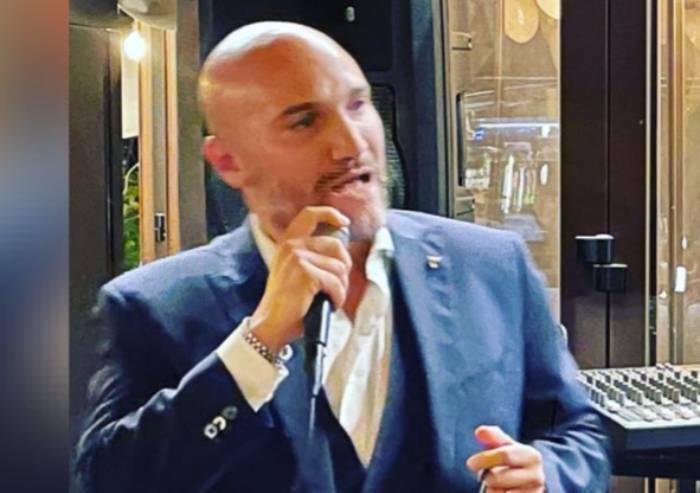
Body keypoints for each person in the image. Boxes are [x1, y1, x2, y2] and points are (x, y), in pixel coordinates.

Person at [74, 21, 610, 492]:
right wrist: (257, 343)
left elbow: (577, 435)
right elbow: (107, 480)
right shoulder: (154, 307)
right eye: (304, 122)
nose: (351, 144)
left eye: (358, 105)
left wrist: (546, 475)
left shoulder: (491, 266)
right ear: (229, 161)